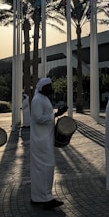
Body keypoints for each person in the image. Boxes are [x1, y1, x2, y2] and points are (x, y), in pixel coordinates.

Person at [30, 77, 68, 209]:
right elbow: (38, 118)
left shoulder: (43, 98)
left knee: (41, 169)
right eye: (49, 87)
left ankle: (38, 196)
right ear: (43, 88)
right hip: (41, 142)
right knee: (46, 168)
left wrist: (56, 114)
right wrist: (56, 115)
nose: (51, 89)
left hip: (44, 139)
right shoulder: (37, 100)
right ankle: (45, 198)